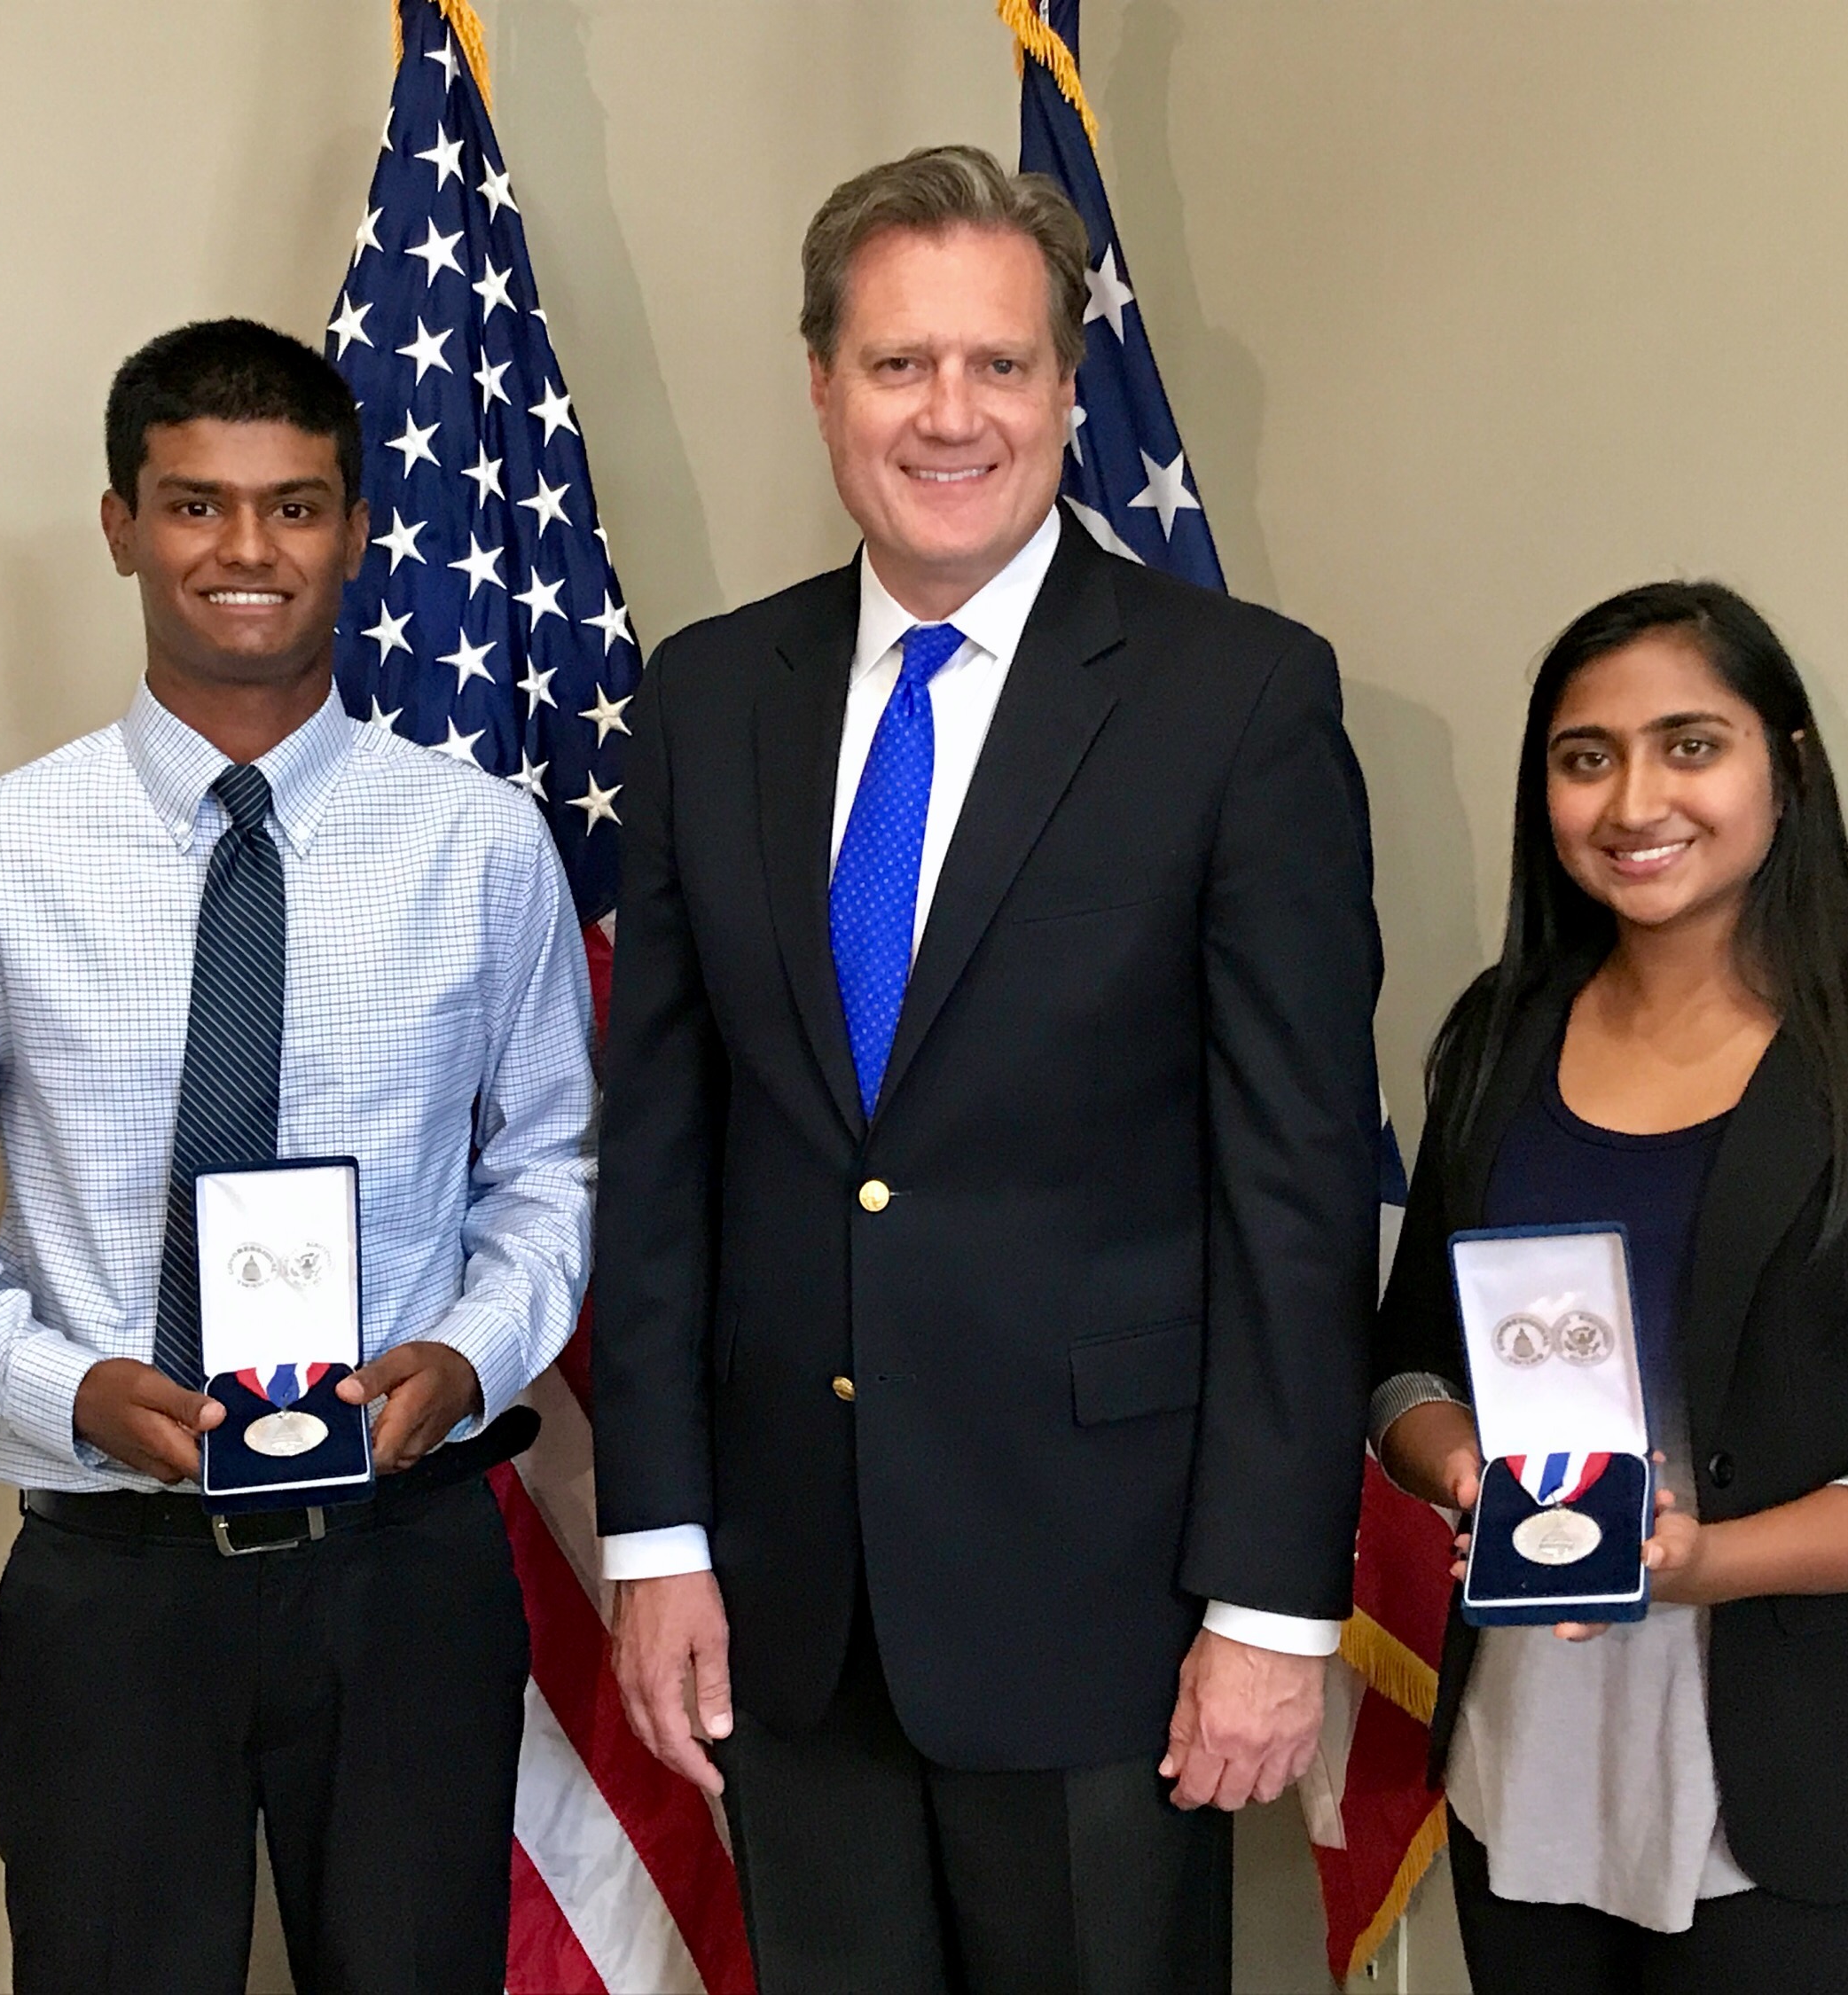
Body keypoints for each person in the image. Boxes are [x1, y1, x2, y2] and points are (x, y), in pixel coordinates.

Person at [588, 145, 1382, 1994]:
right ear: (822, 385)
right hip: (789, 1609)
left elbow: (1297, 1187)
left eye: (1000, 364)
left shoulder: (1236, 698)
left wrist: (1273, 1606)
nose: (951, 414)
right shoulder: (710, 696)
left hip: (1109, 1608)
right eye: (899, 363)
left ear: (1065, 386)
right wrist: (659, 1534)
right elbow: (669, 1153)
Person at [0, 318, 594, 1995]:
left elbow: (549, 1170)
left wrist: (473, 1349)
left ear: (357, 531)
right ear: (122, 527)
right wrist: (65, 1387)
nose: (248, 549)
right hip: (115, 1582)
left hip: (408, 1569)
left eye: (294, 505)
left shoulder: (480, 845)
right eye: (195, 504)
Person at [1370, 581, 1848, 1993]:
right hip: (1531, 1755)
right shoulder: (1498, 1032)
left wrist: (1703, 1560)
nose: (1635, 801)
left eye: (1690, 744)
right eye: (1586, 757)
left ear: (1785, 768)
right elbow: (1409, 1367)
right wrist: (1466, 1475)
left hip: (1806, 1782)